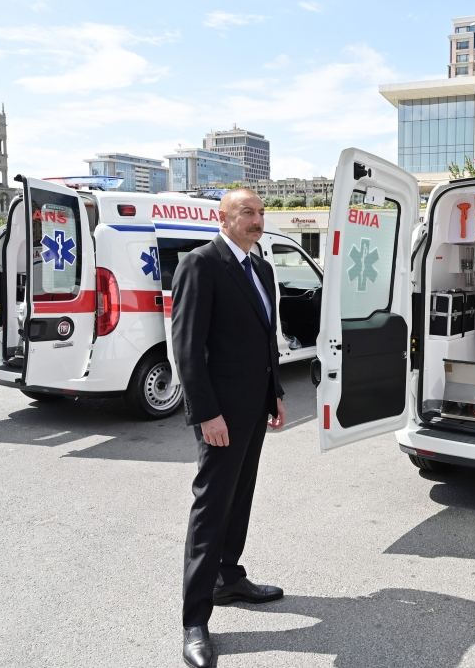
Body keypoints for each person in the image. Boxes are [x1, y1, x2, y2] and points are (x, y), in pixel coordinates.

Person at [172, 188, 286, 668]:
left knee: (241, 496)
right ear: (223, 217)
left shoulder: (262, 267)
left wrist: (274, 391)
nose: (257, 220)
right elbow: (187, 348)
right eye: (247, 212)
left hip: (253, 408)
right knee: (211, 508)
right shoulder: (201, 264)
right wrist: (206, 413)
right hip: (218, 414)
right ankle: (194, 620)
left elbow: (266, 338)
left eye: (261, 212)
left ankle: (228, 578)